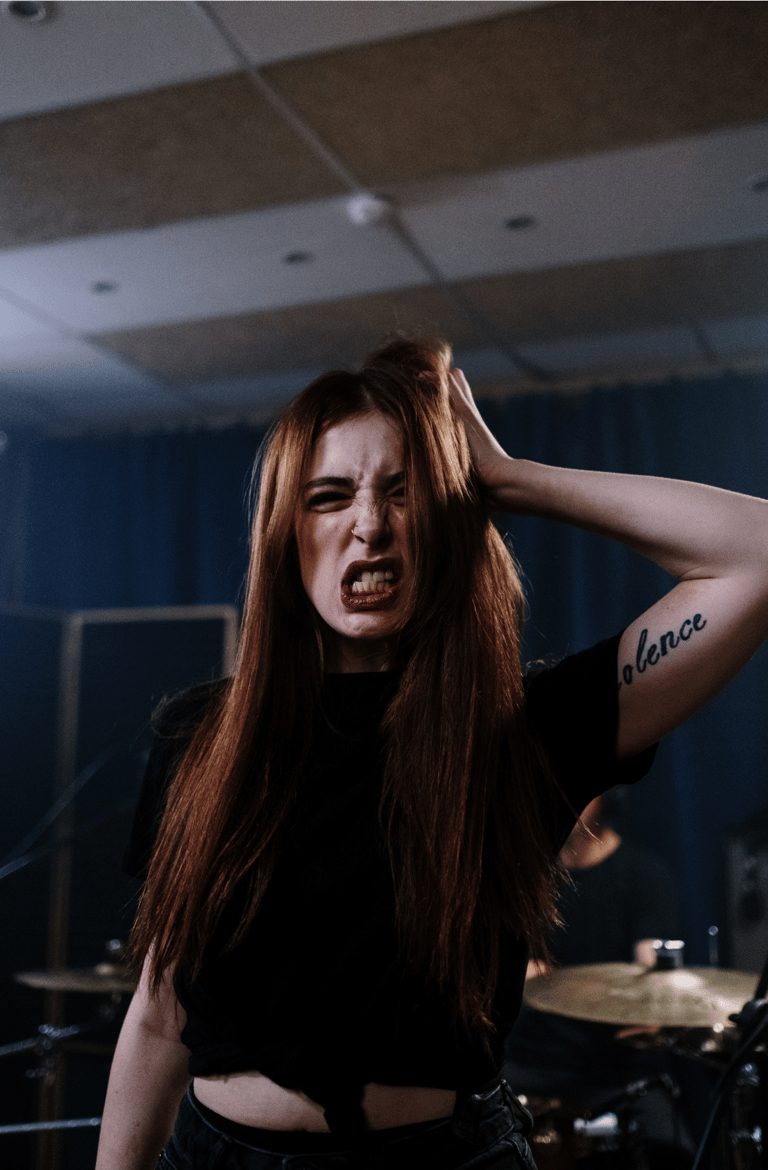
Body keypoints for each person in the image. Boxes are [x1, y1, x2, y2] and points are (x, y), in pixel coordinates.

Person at [95, 337, 768, 1170]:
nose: (370, 526)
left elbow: (754, 554)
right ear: (283, 534)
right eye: (329, 497)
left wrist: (508, 477)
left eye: (404, 492)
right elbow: (159, 1012)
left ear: (448, 517)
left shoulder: (522, 730)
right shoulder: (200, 738)